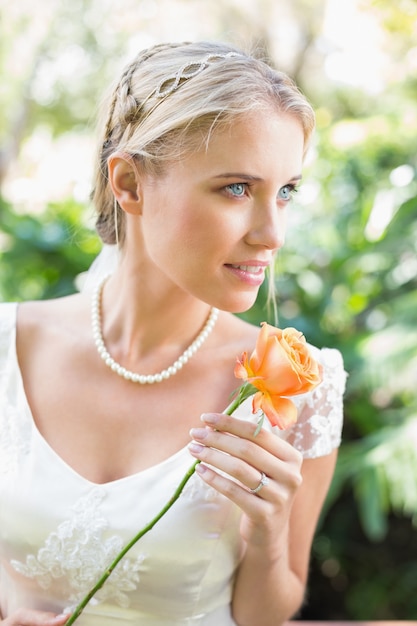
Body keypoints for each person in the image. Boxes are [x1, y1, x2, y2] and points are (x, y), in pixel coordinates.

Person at [0, 41, 346, 626]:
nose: (272, 234)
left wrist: (268, 532)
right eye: (237, 188)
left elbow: (268, 613)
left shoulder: (301, 387)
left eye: (286, 191)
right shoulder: (9, 348)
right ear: (130, 184)